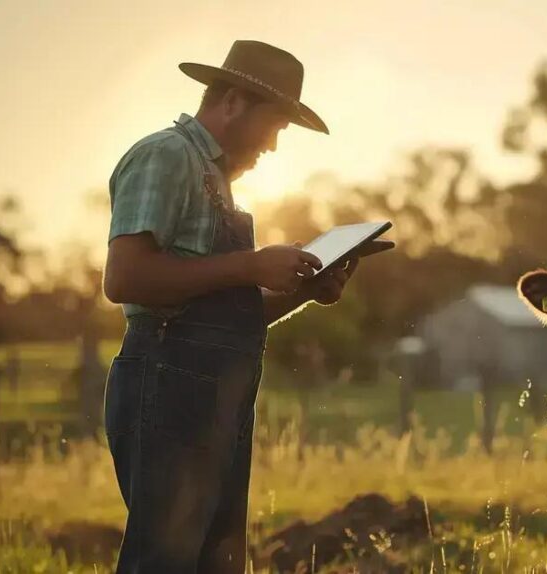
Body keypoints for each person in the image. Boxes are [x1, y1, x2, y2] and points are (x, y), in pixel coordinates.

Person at [102, 40, 353, 573]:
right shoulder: (165, 155)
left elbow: (224, 312)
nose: (275, 146)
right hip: (167, 385)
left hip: (216, 396)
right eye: (277, 125)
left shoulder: (218, 181)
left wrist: (303, 288)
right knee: (164, 561)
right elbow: (125, 277)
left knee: (217, 561)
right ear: (234, 101)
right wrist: (249, 266)